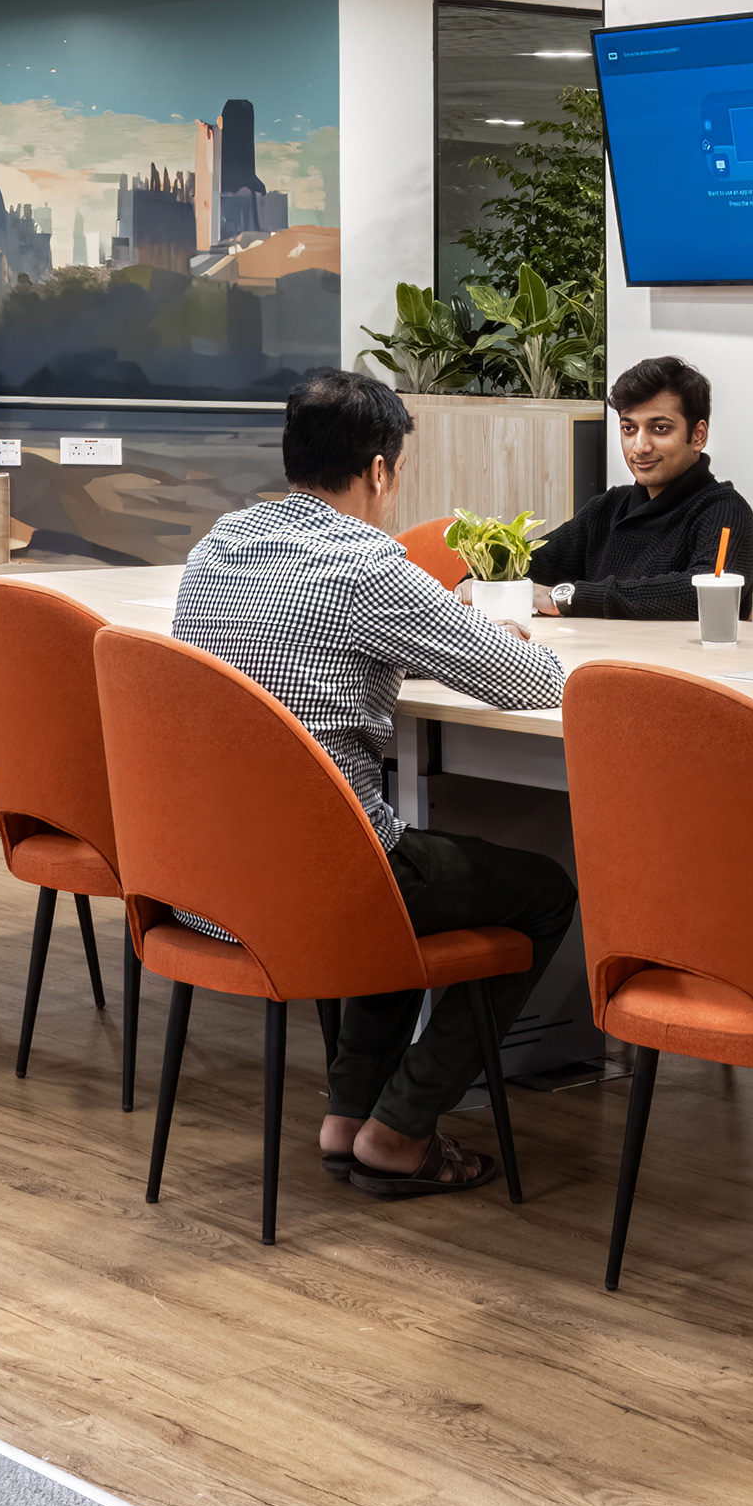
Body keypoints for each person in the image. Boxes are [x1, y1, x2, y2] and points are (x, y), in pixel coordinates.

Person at [174, 368, 576, 1203]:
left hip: (206, 880)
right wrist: (489, 638)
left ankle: (348, 1113)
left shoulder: (218, 545)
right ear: (381, 470)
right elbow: (530, 681)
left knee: (385, 851)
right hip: (319, 890)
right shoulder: (367, 568)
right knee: (538, 891)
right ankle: (401, 1126)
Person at [528, 354, 753, 620]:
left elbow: (704, 595)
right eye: (629, 429)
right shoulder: (606, 508)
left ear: (698, 436)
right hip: (598, 648)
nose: (640, 446)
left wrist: (570, 598)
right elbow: (522, 565)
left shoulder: (725, 511)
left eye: (659, 428)